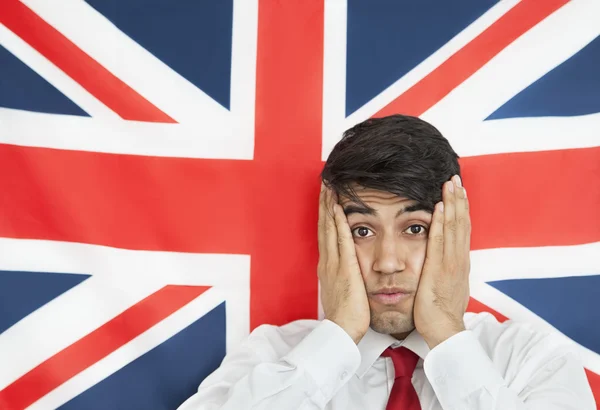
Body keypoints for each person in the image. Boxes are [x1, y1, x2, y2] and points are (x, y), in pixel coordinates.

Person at [178, 115, 596, 409]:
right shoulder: (273, 357)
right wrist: (338, 335)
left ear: (457, 233)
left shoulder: (530, 359)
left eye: (414, 228)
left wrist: (448, 336)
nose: (388, 262)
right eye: (363, 230)